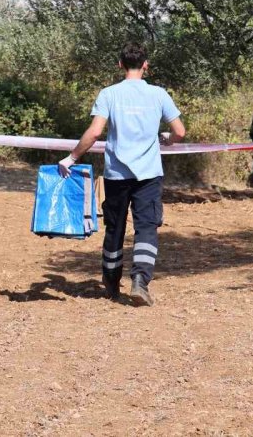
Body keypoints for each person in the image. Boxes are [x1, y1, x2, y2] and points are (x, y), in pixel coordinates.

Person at [58, 43, 185, 307]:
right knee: (147, 227)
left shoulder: (109, 94)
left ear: (120, 65)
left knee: (115, 227)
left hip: (117, 174)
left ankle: (111, 282)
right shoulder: (159, 94)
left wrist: (71, 158)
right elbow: (180, 132)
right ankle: (140, 281)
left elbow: (94, 133)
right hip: (149, 174)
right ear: (146, 65)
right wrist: (169, 139)